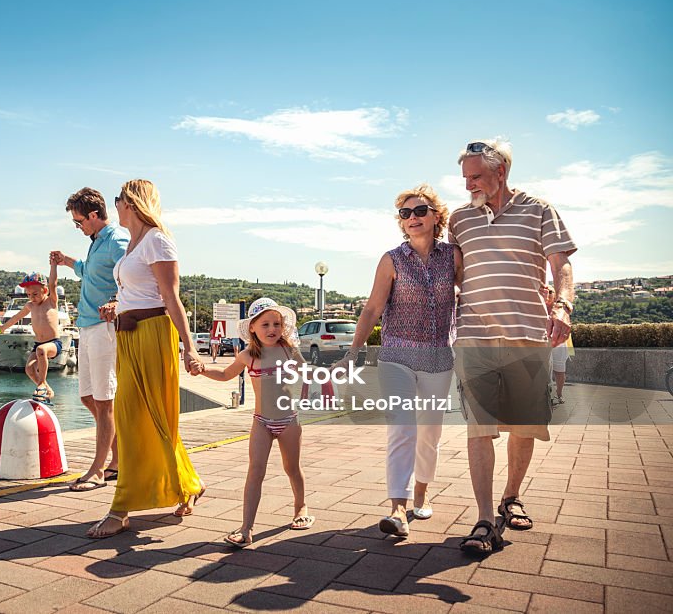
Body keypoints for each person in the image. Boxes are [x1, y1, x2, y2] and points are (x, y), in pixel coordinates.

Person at [449, 138, 576, 556]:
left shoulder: (540, 210)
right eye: (465, 177)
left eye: (477, 176)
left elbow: (562, 265)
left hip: (527, 334)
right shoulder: (460, 219)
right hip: (474, 336)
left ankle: (511, 495)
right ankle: (485, 518)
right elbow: (452, 274)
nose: (469, 185)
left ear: (501, 171)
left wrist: (562, 304)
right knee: (479, 427)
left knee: (523, 426)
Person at [337, 184, 461, 538]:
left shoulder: (452, 256)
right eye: (406, 214)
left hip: (439, 356)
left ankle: (421, 493)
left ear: (436, 216)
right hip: (396, 355)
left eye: (420, 211)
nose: (412, 218)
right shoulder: (391, 259)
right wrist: (353, 352)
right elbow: (373, 308)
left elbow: (466, 299)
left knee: (430, 435)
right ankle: (397, 509)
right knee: (402, 427)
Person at [86, 179, 205, 539]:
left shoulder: (157, 239)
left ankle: (121, 508)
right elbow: (139, 291)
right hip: (128, 336)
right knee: (138, 416)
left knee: (147, 417)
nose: (115, 206)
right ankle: (188, 483)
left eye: (118, 199)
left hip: (154, 336)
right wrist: (116, 307)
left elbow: (171, 298)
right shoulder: (134, 245)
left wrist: (190, 346)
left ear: (132, 203)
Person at [201, 297, 313, 548]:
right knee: (255, 472)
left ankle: (300, 507)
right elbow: (224, 374)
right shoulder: (247, 356)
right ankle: (246, 528)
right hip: (261, 422)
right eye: (265, 324)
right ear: (252, 327)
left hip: (288, 420)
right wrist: (202, 370)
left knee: (292, 468)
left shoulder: (288, 351)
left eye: (276, 324)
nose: (272, 329)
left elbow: (307, 376)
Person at [51, 187, 129, 492]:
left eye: (79, 221)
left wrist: (118, 301)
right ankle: (120, 456)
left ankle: (99, 469)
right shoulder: (96, 243)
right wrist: (68, 261)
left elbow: (134, 273)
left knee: (104, 400)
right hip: (87, 325)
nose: (78, 226)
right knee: (87, 397)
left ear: (94, 216)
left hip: (104, 327)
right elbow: (92, 272)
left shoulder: (117, 240)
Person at [0, 264, 62, 403]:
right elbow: (16, 318)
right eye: (28, 295)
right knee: (29, 369)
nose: (32, 297)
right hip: (39, 344)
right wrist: (3, 327)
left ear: (45, 290)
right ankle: (48, 389)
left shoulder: (51, 301)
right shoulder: (30, 306)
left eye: (35, 294)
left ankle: (42, 384)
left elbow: (53, 282)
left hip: (53, 344)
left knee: (41, 350)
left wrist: (53, 265)